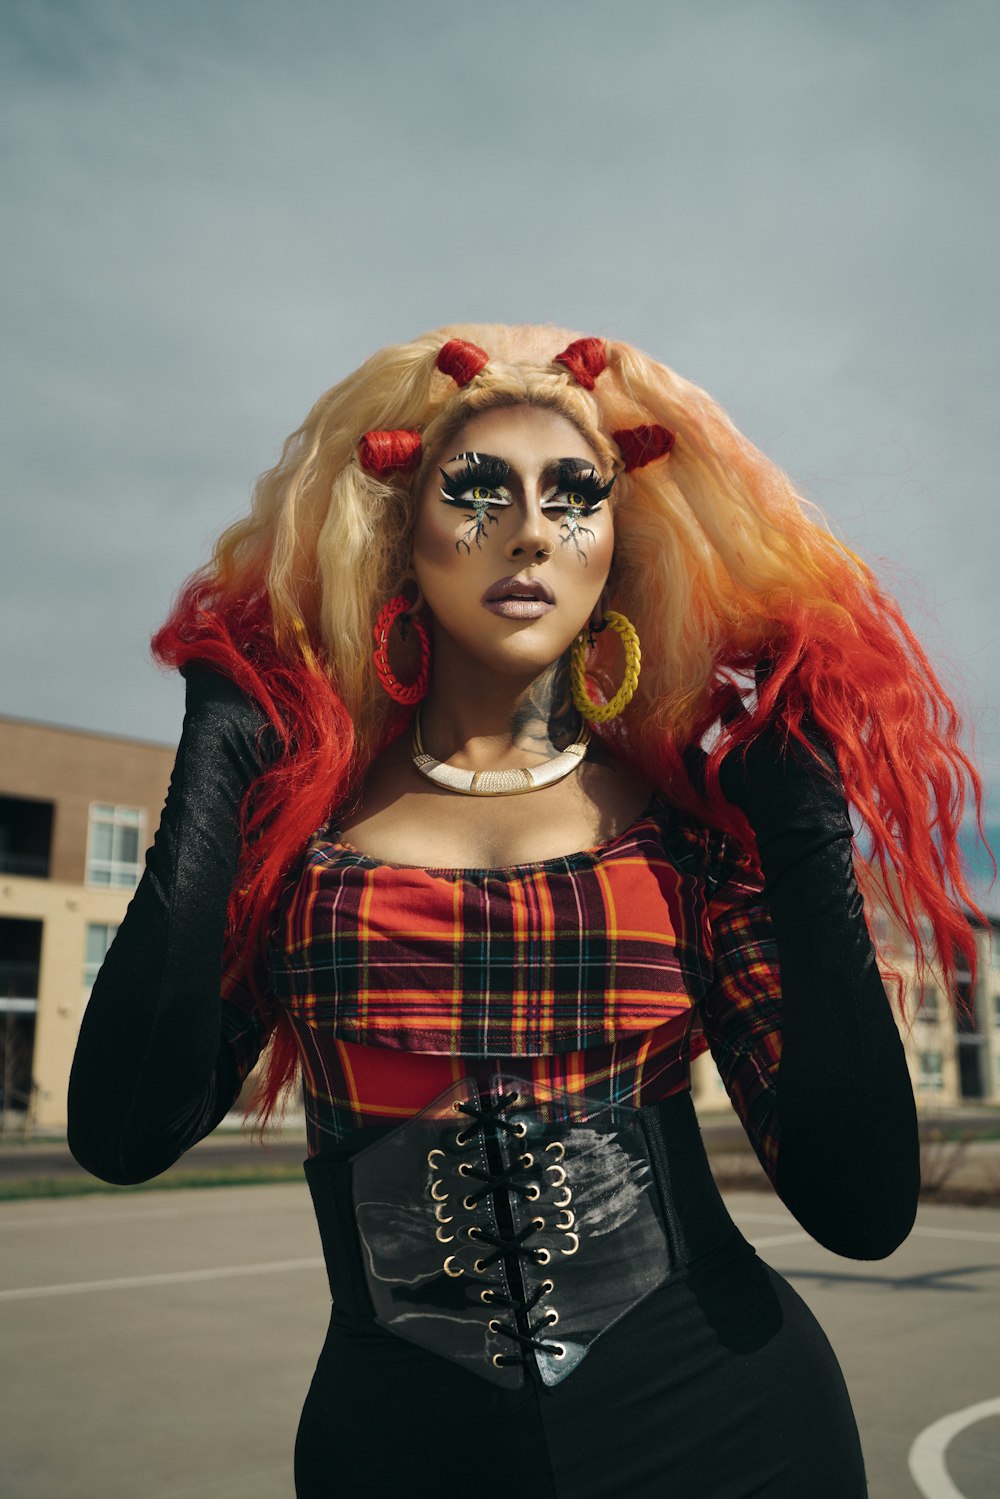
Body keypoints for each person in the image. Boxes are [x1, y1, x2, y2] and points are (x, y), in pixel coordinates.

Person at [68, 325, 985, 1498]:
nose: (531, 530)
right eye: (479, 489)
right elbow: (122, 1130)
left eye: (573, 495)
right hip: (399, 1448)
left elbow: (861, 1206)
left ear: (616, 538)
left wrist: (804, 828)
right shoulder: (303, 845)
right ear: (402, 527)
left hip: (729, 1425)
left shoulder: (694, 839)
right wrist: (215, 765)